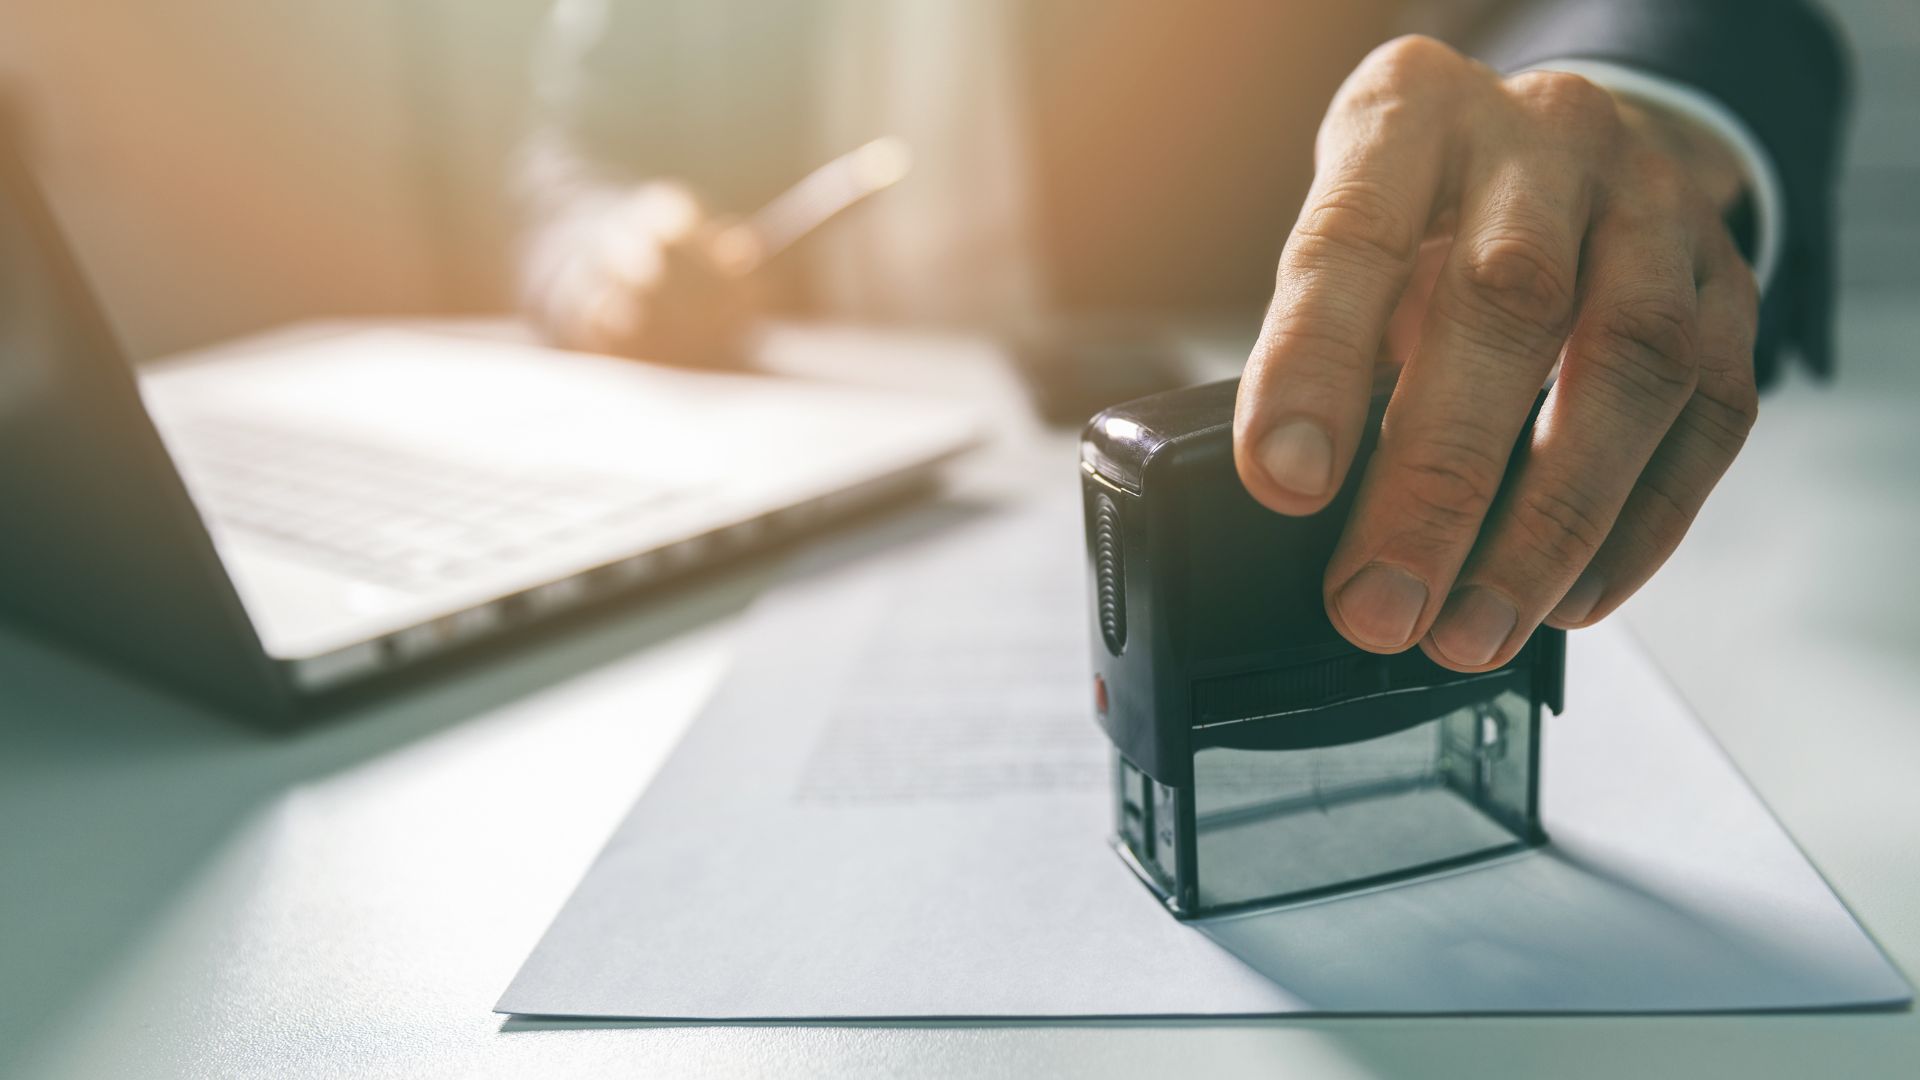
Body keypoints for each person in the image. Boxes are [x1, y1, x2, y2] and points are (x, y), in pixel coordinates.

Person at [516, 0, 1849, 673]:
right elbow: (573, 142)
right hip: (781, 471)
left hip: (1240, 476)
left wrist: (1627, 118)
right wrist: (604, 240)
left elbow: (1736, 14)